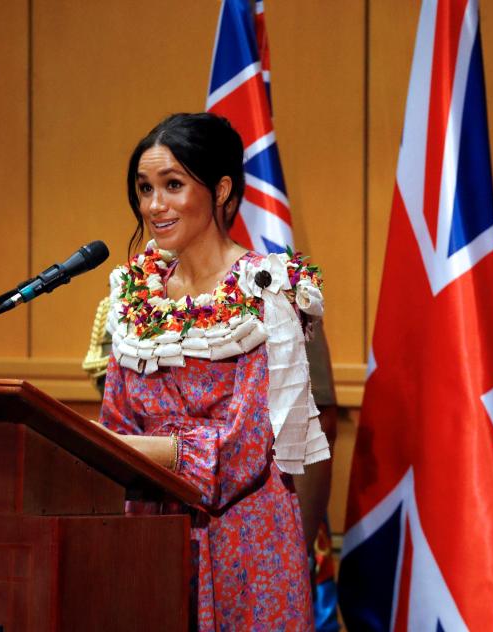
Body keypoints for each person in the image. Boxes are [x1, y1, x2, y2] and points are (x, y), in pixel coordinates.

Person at [97, 112, 329, 630]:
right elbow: (116, 420)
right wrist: (115, 448)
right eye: (144, 188)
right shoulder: (134, 296)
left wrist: (135, 449)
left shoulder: (267, 291)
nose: (154, 205)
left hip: (245, 536)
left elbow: (244, 447)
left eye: (172, 185)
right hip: (152, 530)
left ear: (222, 189)